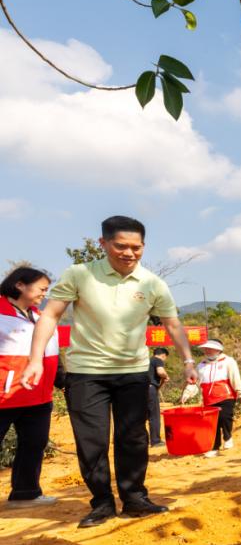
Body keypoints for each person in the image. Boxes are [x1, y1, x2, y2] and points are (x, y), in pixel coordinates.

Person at [22, 216, 198, 528]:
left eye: (136, 247)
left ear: (143, 246)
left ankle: (135, 498)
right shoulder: (80, 274)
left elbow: (172, 324)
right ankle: (102, 503)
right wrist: (35, 359)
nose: (129, 253)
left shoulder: (152, 283)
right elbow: (50, 316)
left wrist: (188, 361)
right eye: (121, 246)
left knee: (133, 438)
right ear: (103, 243)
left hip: (133, 372)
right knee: (92, 442)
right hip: (86, 373)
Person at [1, 267, 62, 508]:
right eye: (41, 289)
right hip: (5, 394)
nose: (44, 294)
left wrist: (62, 381)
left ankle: (25, 493)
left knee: (34, 444)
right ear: (20, 285)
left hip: (39, 395)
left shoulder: (41, 317)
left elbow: (52, 353)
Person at [195, 339, 241, 457]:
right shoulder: (201, 365)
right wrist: (187, 393)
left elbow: (235, 377)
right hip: (208, 399)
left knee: (224, 417)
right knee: (212, 425)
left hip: (226, 396)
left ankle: (228, 437)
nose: (207, 351)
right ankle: (214, 448)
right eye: (205, 349)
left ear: (218, 350)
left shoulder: (228, 361)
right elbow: (195, 383)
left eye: (210, 348)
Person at [147, 347, 170, 448]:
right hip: (150, 389)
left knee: (143, 416)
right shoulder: (157, 360)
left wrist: (162, 382)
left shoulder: (147, 361)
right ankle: (155, 441)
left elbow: (155, 387)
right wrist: (166, 376)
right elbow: (160, 372)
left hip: (140, 390)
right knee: (154, 415)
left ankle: (141, 440)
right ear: (163, 355)